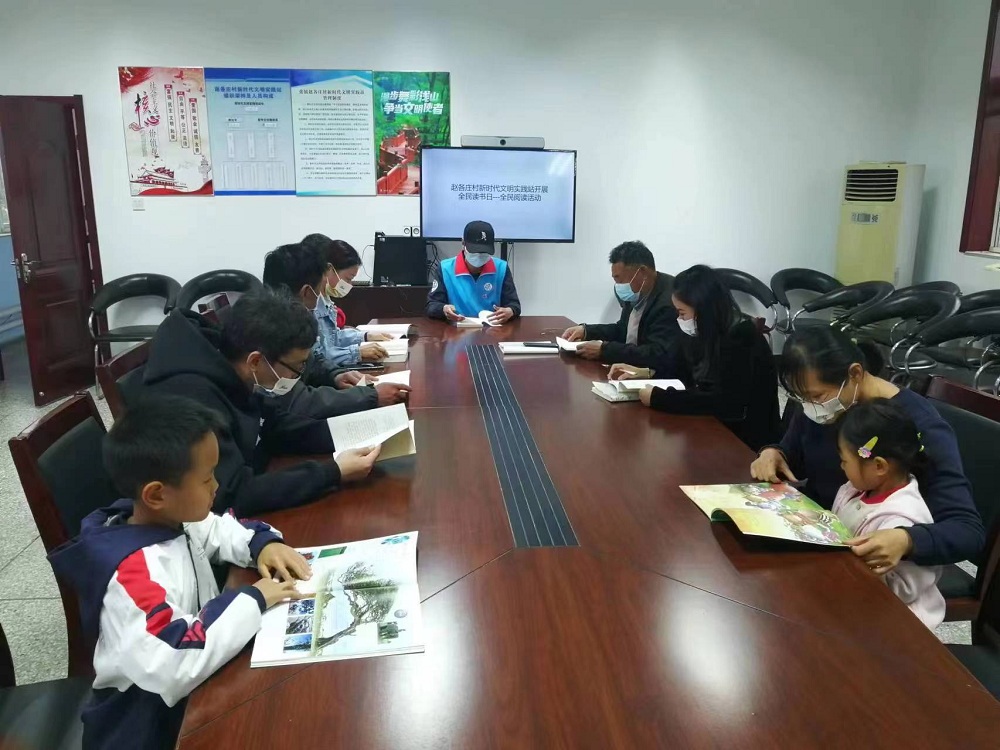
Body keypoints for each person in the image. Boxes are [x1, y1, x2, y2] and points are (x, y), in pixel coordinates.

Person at [48, 395, 310, 750]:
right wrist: (253, 598)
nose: (217, 486)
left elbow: (217, 529)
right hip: (147, 725)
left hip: (193, 691)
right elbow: (177, 657)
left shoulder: (169, 516)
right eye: (207, 478)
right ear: (156, 494)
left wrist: (262, 544)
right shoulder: (131, 577)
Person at [750, 326, 984, 572]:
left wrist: (907, 539)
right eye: (802, 398)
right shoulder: (823, 406)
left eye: (816, 396)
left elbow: (967, 531)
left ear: (855, 373)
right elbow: (793, 453)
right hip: (815, 535)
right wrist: (774, 453)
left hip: (875, 567)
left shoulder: (917, 425)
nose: (810, 407)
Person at [140, 289, 381, 516]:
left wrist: (356, 432)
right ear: (255, 361)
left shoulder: (235, 368)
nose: (299, 376)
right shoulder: (192, 396)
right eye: (297, 367)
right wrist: (333, 472)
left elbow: (275, 427)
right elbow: (230, 494)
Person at [609, 265, 780, 451]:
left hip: (746, 442)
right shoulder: (703, 330)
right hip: (713, 428)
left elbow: (722, 402)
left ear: (703, 309)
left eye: (682, 313)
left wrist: (659, 398)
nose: (679, 319)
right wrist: (645, 373)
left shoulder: (741, 337)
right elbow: (681, 368)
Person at [833, 399, 945, 630]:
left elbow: (904, 589)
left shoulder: (903, 519)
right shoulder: (855, 489)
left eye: (844, 461)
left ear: (879, 466)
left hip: (897, 621)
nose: (841, 467)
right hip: (851, 595)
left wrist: (854, 570)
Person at [261, 242, 410, 413]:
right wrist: (370, 397)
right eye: (319, 291)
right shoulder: (270, 329)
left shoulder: (281, 315)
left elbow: (311, 361)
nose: (319, 300)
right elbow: (294, 400)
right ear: (307, 292)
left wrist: (335, 375)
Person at [562, 240, 680, 373]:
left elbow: (658, 353)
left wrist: (604, 350)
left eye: (619, 279)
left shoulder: (670, 300)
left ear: (642, 272)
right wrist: (586, 331)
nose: (618, 285)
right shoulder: (636, 293)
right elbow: (622, 330)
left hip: (659, 376)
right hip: (632, 369)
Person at [299, 233, 394, 368]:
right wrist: (356, 352)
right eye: (348, 279)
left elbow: (333, 338)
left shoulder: (323, 298)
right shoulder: (308, 303)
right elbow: (316, 357)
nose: (350, 284)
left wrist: (365, 336)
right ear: (328, 269)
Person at [426, 220, 520, 323]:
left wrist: (511, 311)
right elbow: (432, 305)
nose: (479, 256)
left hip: (492, 328)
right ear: (463, 243)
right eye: (475, 251)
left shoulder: (501, 268)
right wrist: (443, 309)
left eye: (484, 252)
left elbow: (514, 305)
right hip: (457, 329)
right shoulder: (445, 269)